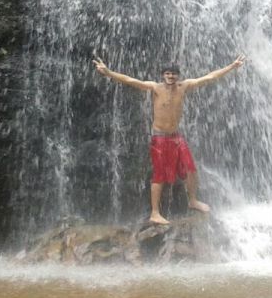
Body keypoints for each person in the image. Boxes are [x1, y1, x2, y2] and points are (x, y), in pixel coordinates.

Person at [92, 55, 247, 225]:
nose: (171, 76)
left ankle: (193, 200)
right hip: (159, 138)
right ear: (162, 75)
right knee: (159, 175)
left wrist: (232, 66)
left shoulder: (184, 86)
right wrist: (108, 72)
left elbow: (209, 77)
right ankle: (155, 213)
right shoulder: (155, 88)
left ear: (178, 75)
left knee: (190, 168)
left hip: (176, 136)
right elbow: (130, 80)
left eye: (173, 74)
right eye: (167, 73)